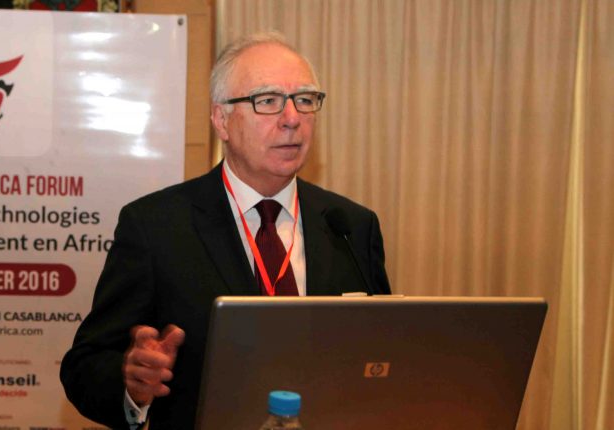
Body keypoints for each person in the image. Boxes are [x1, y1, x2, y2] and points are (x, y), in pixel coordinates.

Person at [60, 32, 392, 429]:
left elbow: (382, 356)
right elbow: (85, 366)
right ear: (221, 120)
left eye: (305, 100)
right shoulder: (155, 227)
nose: (292, 118)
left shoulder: (351, 226)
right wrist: (132, 384)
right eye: (267, 101)